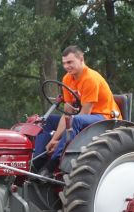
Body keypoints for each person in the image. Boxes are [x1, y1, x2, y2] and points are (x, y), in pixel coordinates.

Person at [34, 45, 120, 177]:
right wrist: (54, 139)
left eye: (70, 62)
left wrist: (62, 140)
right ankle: (37, 163)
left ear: (81, 59)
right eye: (64, 63)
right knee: (46, 121)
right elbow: (67, 114)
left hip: (104, 117)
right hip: (83, 118)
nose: (66, 66)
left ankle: (51, 166)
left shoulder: (90, 78)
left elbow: (84, 114)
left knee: (76, 120)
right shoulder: (67, 79)